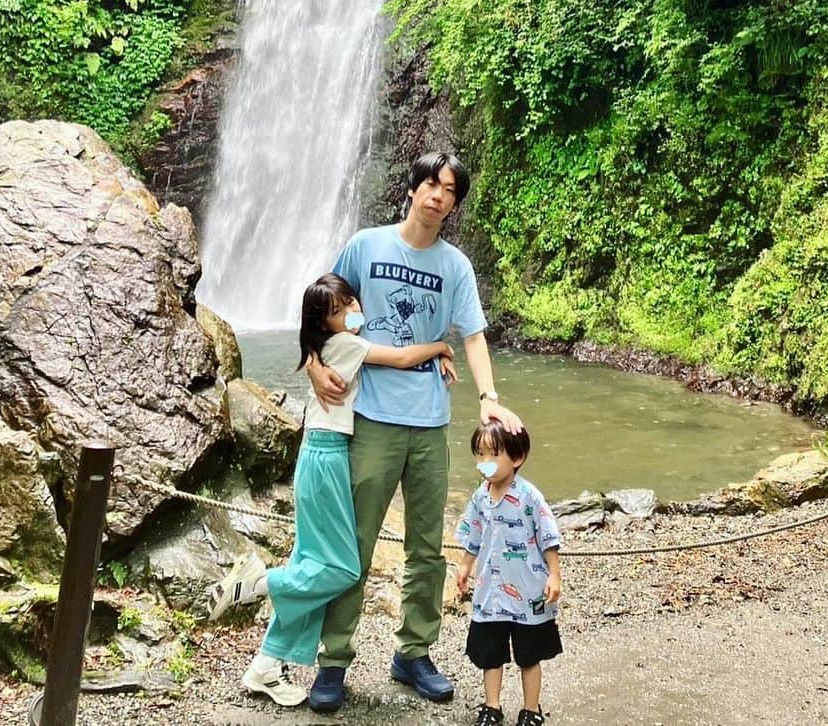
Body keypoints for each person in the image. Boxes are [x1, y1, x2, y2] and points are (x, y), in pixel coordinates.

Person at [305, 150, 524, 713]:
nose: (437, 195)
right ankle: (333, 661)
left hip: (429, 420)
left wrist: (490, 399)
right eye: (430, 183)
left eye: (448, 190)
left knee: (427, 549)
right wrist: (313, 364)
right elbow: (319, 307)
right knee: (354, 543)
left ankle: (414, 652)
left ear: (453, 204)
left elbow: (472, 335)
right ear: (412, 188)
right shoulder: (366, 245)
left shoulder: (455, 267)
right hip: (371, 417)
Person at [206, 273, 457, 706]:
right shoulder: (344, 345)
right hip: (326, 455)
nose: (351, 312)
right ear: (325, 323)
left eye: (350, 303)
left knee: (310, 561)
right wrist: (440, 347)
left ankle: (265, 667)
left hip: (321, 451)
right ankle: (258, 581)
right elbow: (399, 358)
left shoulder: (322, 347)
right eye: (339, 311)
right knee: (341, 568)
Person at [455, 422, 562, 726]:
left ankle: (531, 709)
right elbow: (472, 535)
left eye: (492, 454)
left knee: (529, 655)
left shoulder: (529, 497)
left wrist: (554, 575)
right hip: (490, 591)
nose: (484, 462)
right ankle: (492, 706)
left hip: (528, 592)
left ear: (517, 458)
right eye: (479, 454)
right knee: (491, 653)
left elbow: (549, 538)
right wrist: (465, 566)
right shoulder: (480, 497)